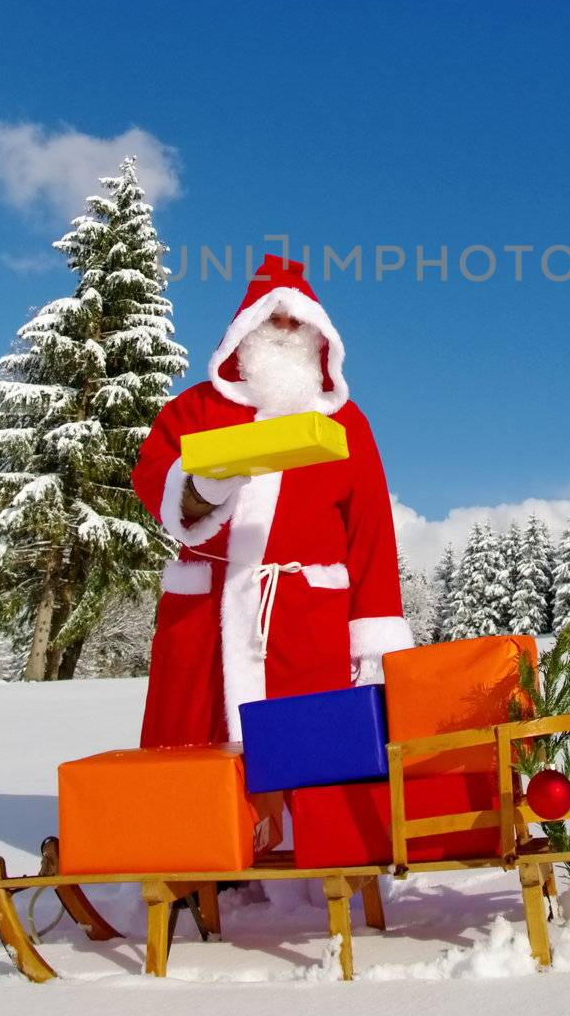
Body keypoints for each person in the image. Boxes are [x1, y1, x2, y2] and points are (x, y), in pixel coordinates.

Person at [132, 253, 413, 747]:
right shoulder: (194, 408)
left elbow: (371, 532)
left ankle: (298, 828)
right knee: (192, 753)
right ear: (247, 326)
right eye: (273, 317)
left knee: (310, 754)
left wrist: (374, 640)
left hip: (304, 618)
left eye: (296, 320)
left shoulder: (346, 423)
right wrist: (203, 488)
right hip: (206, 614)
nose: (285, 327)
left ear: (317, 333)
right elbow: (153, 477)